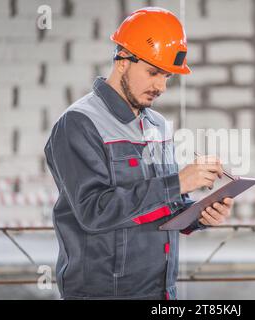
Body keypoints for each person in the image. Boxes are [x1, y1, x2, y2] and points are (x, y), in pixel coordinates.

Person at [44, 7, 234, 300]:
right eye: (153, 72)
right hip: (103, 294)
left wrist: (198, 215)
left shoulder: (157, 125)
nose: (160, 86)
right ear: (122, 60)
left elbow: (163, 204)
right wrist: (178, 182)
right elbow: (94, 212)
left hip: (160, 291)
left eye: (167, 76)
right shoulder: (79, 123)